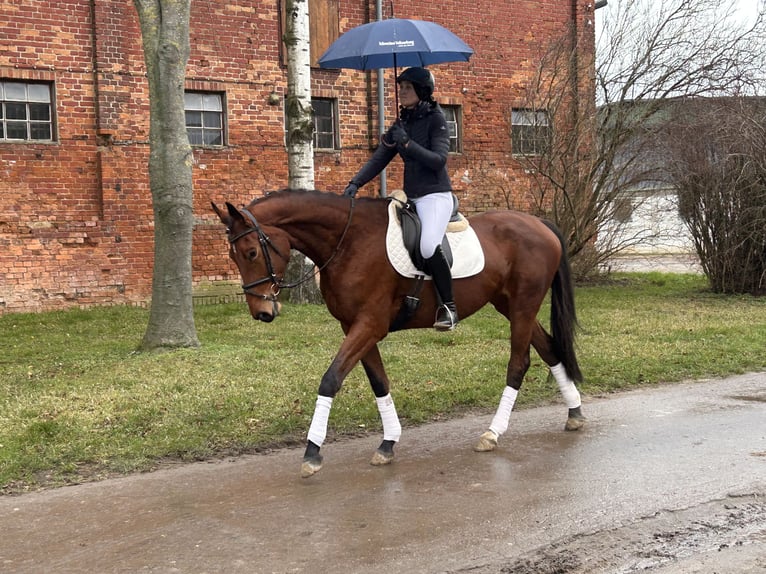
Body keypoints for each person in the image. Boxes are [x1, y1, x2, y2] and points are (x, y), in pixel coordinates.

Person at [342, 67, 458, 331]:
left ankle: (449, 308)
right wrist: (355, 183)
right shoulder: (401, 124)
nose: (401, 91)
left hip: (436, 196)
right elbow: (379, 158)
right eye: (400, 86)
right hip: (412, 198)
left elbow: (438, 161)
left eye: (407, 87)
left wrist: (407, 145)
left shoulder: (437, 119)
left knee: (428, 246)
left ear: (422, 91)